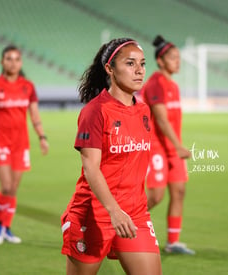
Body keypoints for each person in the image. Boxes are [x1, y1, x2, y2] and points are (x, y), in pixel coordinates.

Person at [61, 38, 162, 275]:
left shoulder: (144, 111)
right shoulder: (95, 112)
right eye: (130, 63)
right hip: (94, 213)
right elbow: (91, 169)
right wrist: (113, 210)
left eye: (143, 64)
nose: (139, 70)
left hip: (134, 214)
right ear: (110, 68)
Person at [0, 45, 49, 245]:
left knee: (14, 189)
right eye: (9, 59)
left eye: (17, 59)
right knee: (7, 186)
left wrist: (42, 137)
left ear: (21, 63)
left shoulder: (28, 86)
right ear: (2, 62)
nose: (13, 62)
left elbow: (34, 113)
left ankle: (7, 228)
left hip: (21, 145)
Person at [137, 35, 195, 255]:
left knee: (179, 191)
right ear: (160, 61)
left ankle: (173, 243)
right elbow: (160, 119)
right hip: (157, 147)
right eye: (172, 57)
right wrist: (179, 146)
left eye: (178, 57)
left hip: (173, 147)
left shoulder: (173, 85)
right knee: (156, 196)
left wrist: (177, 146)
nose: (177, 61)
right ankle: (120, 224)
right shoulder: (155, 84)